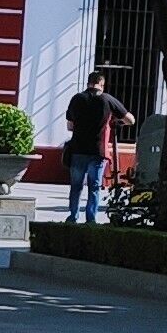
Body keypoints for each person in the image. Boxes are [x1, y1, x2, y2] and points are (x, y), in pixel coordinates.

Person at [65, 73, 133, 224]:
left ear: (88, 83)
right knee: (94, 187)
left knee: (76, 186)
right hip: (98, 151)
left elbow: (70, 126)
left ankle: (72, 217)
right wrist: (115, 121)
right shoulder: (107, 99)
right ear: (101, 84)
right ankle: (91, 219)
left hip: (78, 150)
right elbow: (130, 120)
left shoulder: (77, 99)